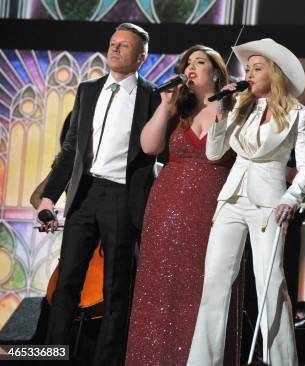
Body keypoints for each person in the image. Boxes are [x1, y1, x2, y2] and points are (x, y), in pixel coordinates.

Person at [35, 23, 160, 365]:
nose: (115, 49)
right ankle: (51, 356)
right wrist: (49, 197)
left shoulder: (152, 97)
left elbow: (156, 152)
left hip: (122, 197)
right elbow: (72, 148)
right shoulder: (88, 90)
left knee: (116, 292)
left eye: (125, 46)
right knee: (66, 287)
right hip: (85, 193)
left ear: (141, 57)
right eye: (113, 43)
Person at [187, 38, 305, 366]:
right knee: (215, 283)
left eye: (257, 68)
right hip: (232, 199)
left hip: (269, 204)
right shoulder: (241, 106)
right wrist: (218, 118)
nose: (249, 73)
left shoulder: (298, 113)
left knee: (271, 284)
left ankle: (282, 361)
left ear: (274, 73)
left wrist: (290, 198)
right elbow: (215, 153)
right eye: (248, 68)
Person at [124, 45, 243, 366]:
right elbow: (149, 146)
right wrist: (165, 105)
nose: (190, 68)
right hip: (166, 210)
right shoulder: (179, 108)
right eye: (187, 63)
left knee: (207, 286)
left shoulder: (236, 108)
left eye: (199, 62)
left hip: (215, 209)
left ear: (216, 72)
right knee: (162, 287)